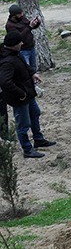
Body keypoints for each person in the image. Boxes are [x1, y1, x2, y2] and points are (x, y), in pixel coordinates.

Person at [0, 30, 56, 158]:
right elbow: (5, 82)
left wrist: (32, 73)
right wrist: (20, 93)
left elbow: (24, 65)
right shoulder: (7, 61)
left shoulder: (15, 54)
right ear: (13, 44)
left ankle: (38, 139)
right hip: (20, 98)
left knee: (35, 113)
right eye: (19, 42)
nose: (22, 43)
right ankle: (27, 149)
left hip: (27, 93)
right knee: (23, 124)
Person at [5, 4, 42, 71]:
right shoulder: (10, 25)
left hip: (31, 47)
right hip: (23, 50)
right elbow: (18, 38)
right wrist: (30, 27)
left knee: (33, 68)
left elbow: (30, 26)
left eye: (22, 13)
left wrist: (36, 23)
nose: (22, 15)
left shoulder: (22, 19)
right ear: (14, 15)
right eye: (19, 14)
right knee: (26, 70)